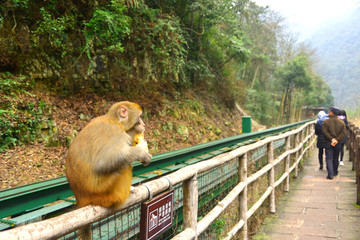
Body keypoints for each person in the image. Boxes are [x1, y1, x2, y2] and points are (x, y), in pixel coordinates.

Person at [322, 107, 346, 179]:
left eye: (330, 111)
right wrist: (336, 140)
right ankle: (335, 171)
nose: (329, 113)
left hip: (328, 142)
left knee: (329, 158)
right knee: (336, 157)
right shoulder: (342, 123)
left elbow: (324, 132)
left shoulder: (326, 122)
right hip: (337, 143)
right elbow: (343, 133)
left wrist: (331, 139)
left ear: (332, 112)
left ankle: (330, 174)